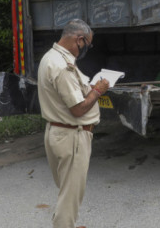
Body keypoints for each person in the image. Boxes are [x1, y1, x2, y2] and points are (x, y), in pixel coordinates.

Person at [37, 19, 110, 228]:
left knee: (66, 194)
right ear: (79, 40)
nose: (87, 48)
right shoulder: (63, 66)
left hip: (58, 132)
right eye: (87, 44)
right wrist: (98, 91)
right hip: (72, 136)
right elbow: (78, 109)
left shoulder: (50, 58)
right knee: (69, 200)